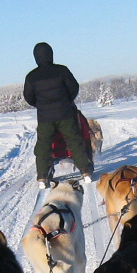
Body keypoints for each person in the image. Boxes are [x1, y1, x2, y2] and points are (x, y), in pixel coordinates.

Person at [23, 41, 93, 183]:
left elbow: (28, 97)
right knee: (74, 141)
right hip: (65, 114)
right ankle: (85, 171)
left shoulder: (31, 76)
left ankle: (42, 175)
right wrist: (67, 101)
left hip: (45, 118)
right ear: (51, 54)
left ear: (36, 57)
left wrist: (41, 106)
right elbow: (74, 88)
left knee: (43, 145)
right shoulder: (62, 70)